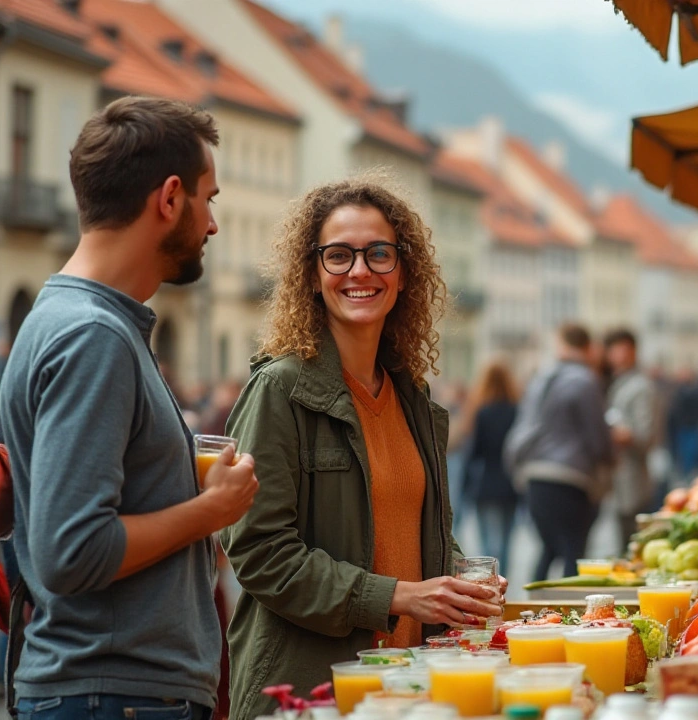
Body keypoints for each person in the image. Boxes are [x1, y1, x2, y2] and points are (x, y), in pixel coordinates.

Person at [0, 97, 259, 720]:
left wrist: (178, 473)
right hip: (113, 695)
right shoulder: (94, 336)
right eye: (208, 199)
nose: (213, 225)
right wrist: (210, 511)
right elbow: (73, 549)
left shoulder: (72, 319)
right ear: (169, 198)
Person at [221, 177, 503, 720]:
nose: (360, 271)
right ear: (312, 273)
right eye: (339, 256)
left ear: (404, 272)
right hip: (311, 691)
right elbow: (259, 554)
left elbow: (414, 530)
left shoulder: (410, 393)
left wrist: (462, 579)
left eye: (378, 253)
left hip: (408, 688)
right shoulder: (280, 389)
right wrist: (398, 597)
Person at [505, 323, 614, 581]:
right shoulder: (585, 380)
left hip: (534, 473)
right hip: (570, 477)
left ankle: (533, 610)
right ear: (588, 348)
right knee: (573, 550)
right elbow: (597, 437)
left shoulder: (541, 378)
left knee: (549, 547)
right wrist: (609, 460)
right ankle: (572, 615)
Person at [461, 362, 521, 572]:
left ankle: (489, 582)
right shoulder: (517, 411)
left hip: (485, 484)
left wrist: (464, 486)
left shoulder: (482, 412)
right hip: (510, 485)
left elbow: (473, 452)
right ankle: (503, 581)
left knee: (487, 542)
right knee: (506, 540)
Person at [603, 329, 655, 555]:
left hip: (633, 480)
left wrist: (612, 433)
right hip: (619, 479)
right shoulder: (619, 383)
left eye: (621, 349)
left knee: (631, 545)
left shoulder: (640, 386)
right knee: (622, 541)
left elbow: (644, 435)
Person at [666, 368, 698, 483]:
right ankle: (688, 474)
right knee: (687, 453)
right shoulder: (685, 392)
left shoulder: (689, 392)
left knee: (691, 453)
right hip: (685, 427)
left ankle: (690, 474)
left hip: (691, 427)